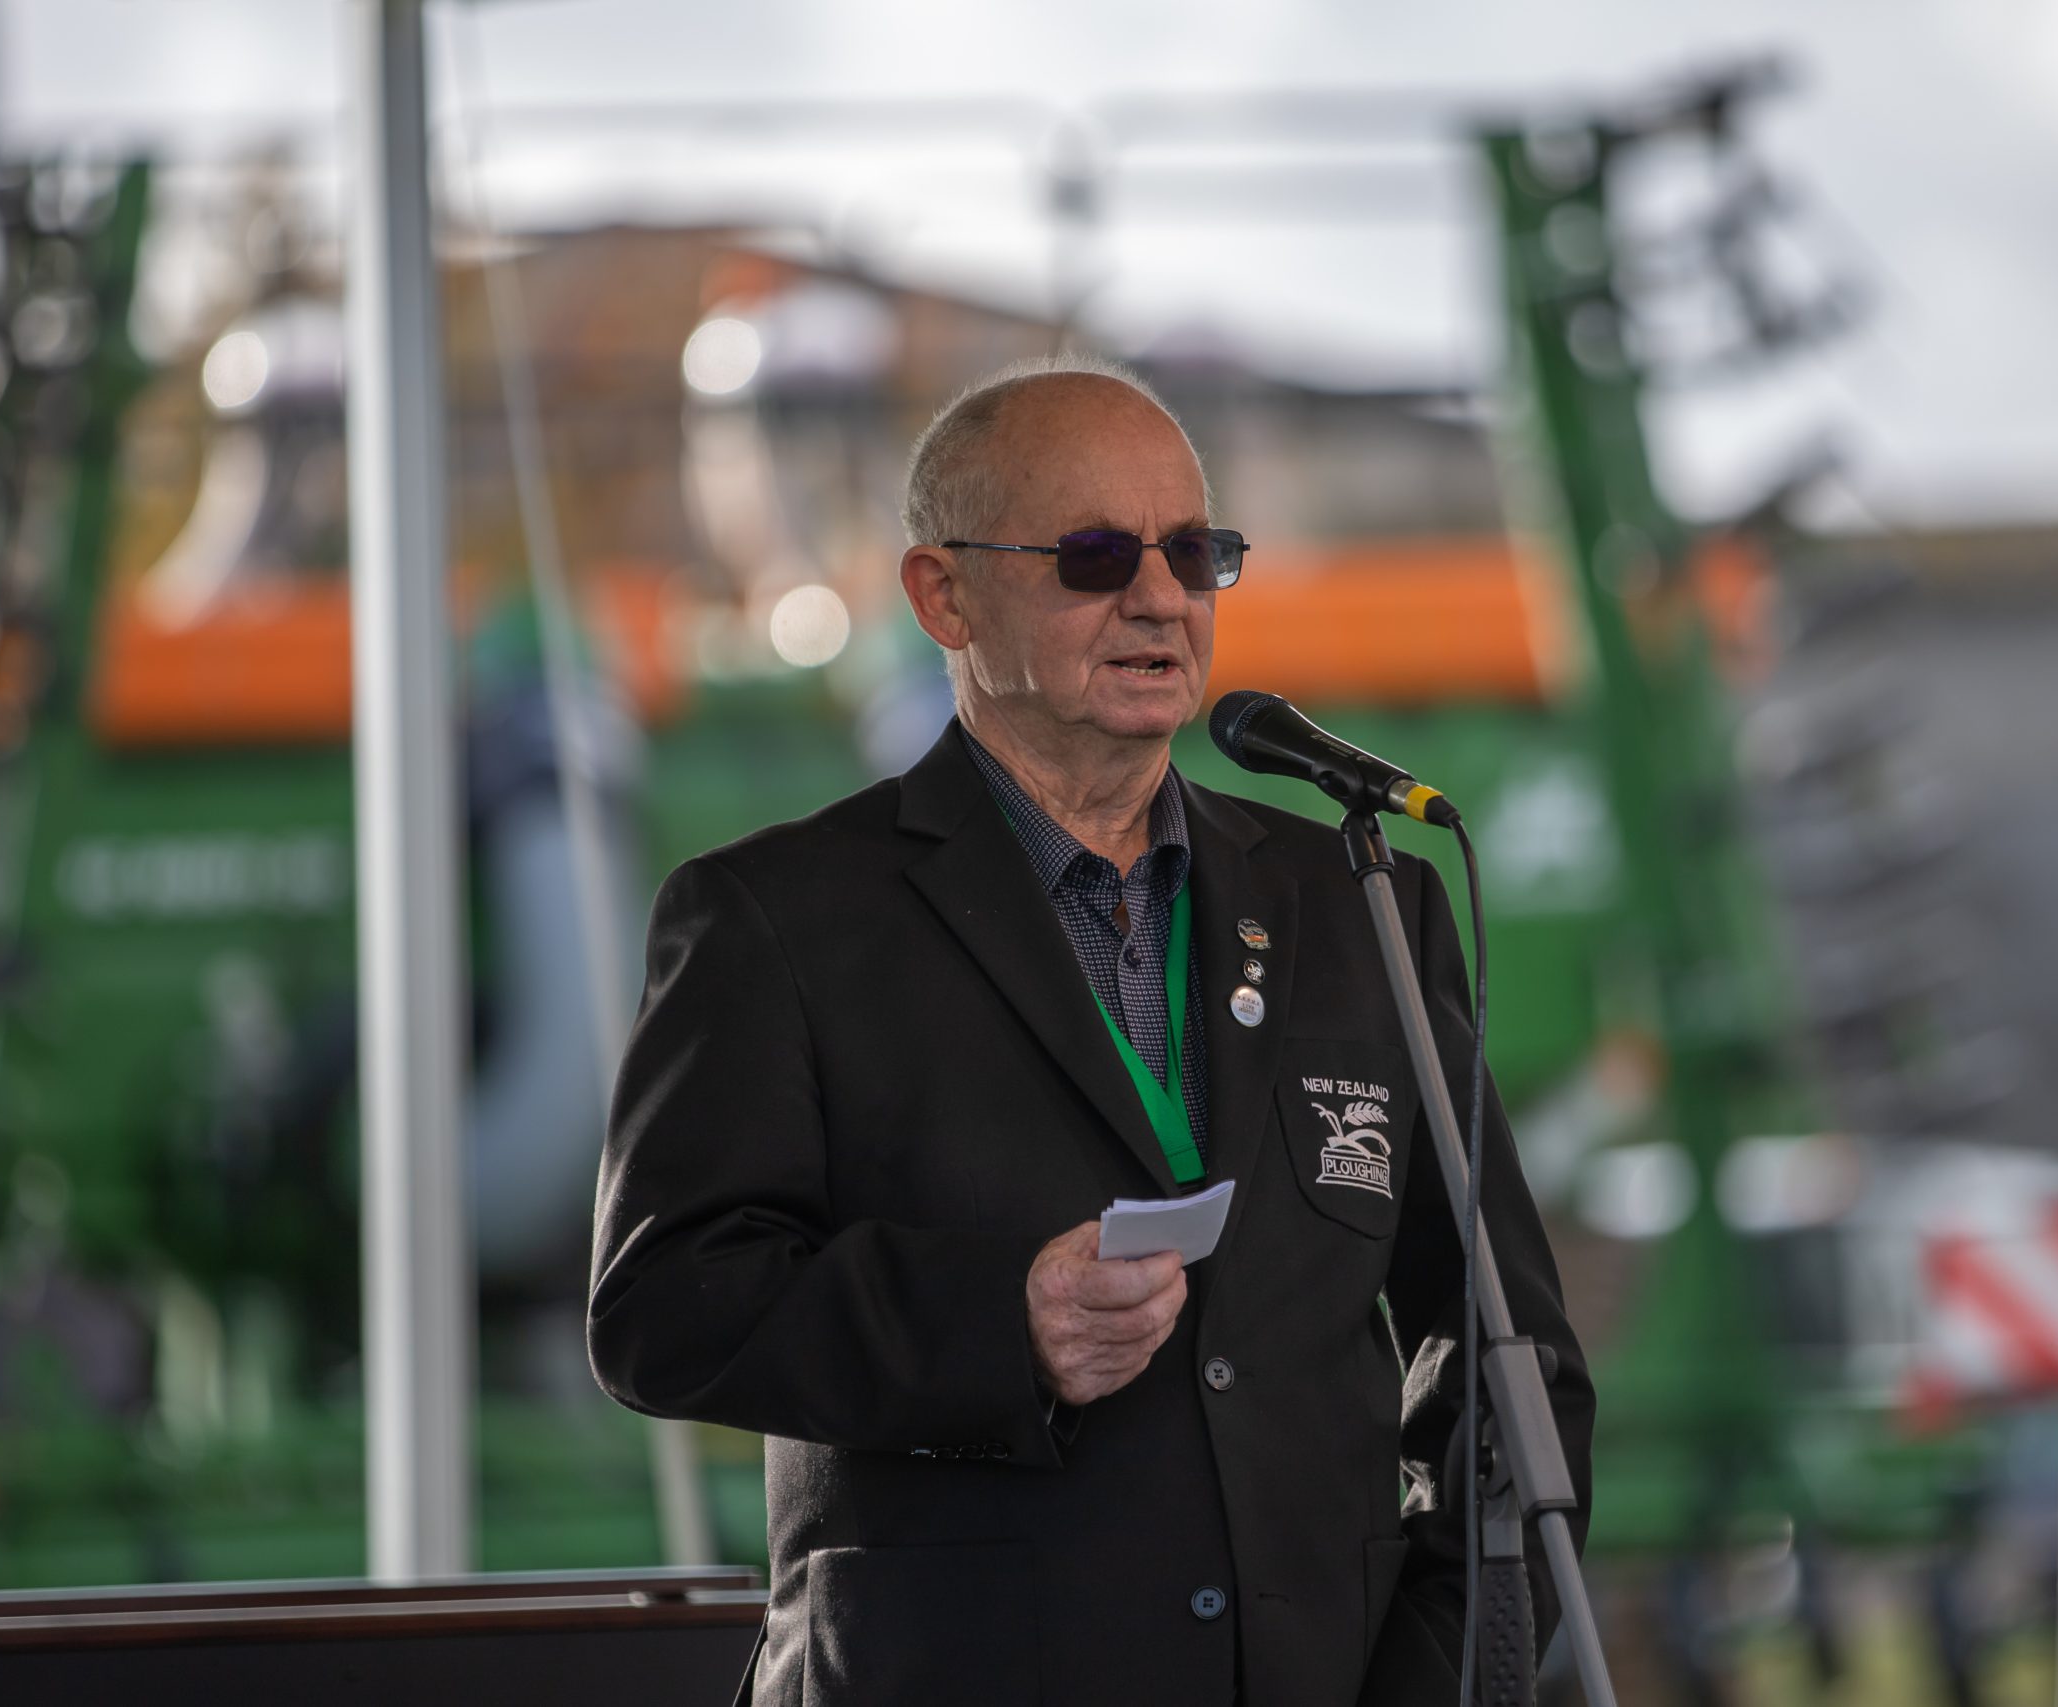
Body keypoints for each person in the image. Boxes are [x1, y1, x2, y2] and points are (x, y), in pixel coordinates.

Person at [587, 353, 1592, 1707]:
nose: (1161, 596)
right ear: (943, 596)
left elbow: (1511, 1370)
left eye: (1195, 552)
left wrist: (1438, 1680)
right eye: (1097, 555)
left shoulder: (1364, 903)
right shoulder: (774, 919)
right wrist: (997, 1325)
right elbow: (658, 1309)